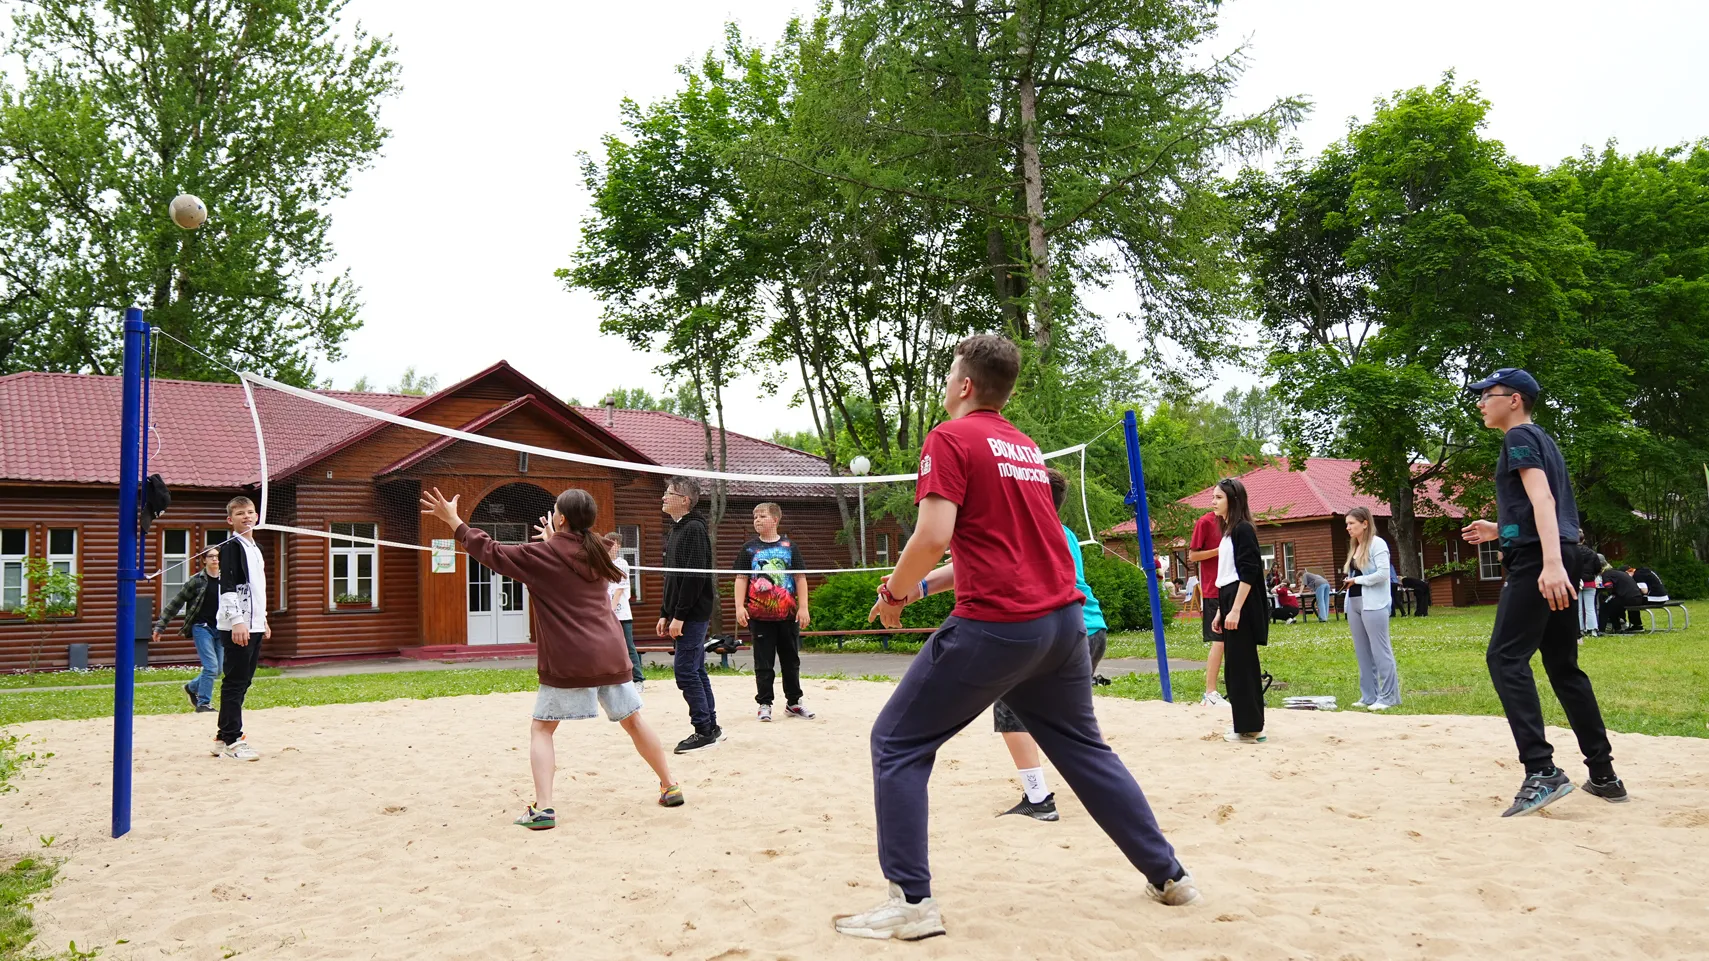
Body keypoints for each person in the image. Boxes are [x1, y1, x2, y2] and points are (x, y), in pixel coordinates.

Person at [834, 335, 1197, 942]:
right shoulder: (1023, 447)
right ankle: (1171, 876)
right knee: (1085, 751)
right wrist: (921, 590)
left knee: (896, 742)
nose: (947, 383)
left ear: (965, 385)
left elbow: (931, 537)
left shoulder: (949, 438)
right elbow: (1008, 550)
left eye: (951, 373)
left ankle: (912, 904)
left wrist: (894, 595)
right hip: (1061, 625)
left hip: (1000, 625)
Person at [422, 486, 683, 826]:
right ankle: (670, 785)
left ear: (560, 518)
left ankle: (543, 808)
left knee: (542, 730)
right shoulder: (600, 551)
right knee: (633, 721)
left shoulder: (541, 556)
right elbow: (568, 555)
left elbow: (490, 551)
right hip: (610, 651)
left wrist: (454, 520)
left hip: (570, 657)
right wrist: (553, 541)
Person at [1462, 368, 1626, 816]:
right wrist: (1500, 529)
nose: (1480, 402)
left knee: (1505, 658)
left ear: (1513, 399)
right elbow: (1544, 505)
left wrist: (1550, 564)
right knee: (1562, 665)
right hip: (1556, 553)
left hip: (1542, 561)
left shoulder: (1517, 438)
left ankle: (1542, 770)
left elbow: (1545, 501)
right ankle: (1604, 774)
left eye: (1487, 395)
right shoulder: (1542, 439)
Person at [732, 502, 815, 722]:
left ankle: (794, 703)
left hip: (787, 615)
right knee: (763, 662)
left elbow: (800, 578)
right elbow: (741, 579)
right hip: (759, 616)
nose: (756, 520)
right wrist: (740, 606)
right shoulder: (748, 549)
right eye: (754, 516)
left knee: (791, 661)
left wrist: (804, 607)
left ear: (775, 520)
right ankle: (764, 703)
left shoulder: (790, 547)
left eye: (761, 516)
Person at [658, 476, 721, 754]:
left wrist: (680, 616)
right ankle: (712, 726)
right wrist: (664, 613)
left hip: (692, 615)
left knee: (685, 671)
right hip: (681, 614)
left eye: (668, 493)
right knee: (695, 669)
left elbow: (694, 579)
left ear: (684, 500)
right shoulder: (677, 530)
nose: (663, 497)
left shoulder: (694, 529)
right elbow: (673, 579)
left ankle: (703, 730)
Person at [1209, 478, 1268, 743]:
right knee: (1234, 668)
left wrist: (1235, 610)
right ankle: (1244, 725)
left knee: (1243, 667)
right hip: (1229, 597)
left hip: (1240, 600)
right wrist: (1222, 610)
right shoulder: (1229, 531)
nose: (1213, 502)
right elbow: (1226, 574)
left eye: (1219, 497)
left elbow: (1249, 572)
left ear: (1233, 500)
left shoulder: (1243, 529)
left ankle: (1252, 727)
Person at [211, 497, 269, 760]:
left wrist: (263, 620)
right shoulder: (232, 547)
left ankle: (223, 737)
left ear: (256, 516)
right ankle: (234, 739)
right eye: (240, 513)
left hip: (253, 624)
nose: (246, 517)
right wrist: (237, 621)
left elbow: (257, 591)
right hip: (238, 625)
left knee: (243, 681)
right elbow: (229, 587)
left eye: (250, 512)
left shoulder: (255, 548)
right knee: (234, 682)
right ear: (230, 520)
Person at [1342, 507, 1400, 711]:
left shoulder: (1378, 544)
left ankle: (1389, 696)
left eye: (1352, 523)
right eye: (1347, 524)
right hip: (1355, 603)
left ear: (1365, 523)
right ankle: (1368, 695)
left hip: (1374, 604)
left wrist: (1357, 579)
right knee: (1362, 652)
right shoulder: (1354, 546)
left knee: (1380, 650)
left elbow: (1384, 574)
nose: (1348, 527)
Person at [154, 551, 222, 713]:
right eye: (210, 556)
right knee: (211, 667)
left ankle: (191, 688)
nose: (214, 559)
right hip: (201, 627)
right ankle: (203, 703)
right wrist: (160, 626)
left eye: (217, 556)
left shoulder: (227, 580)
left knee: (218, 669)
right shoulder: (196, 581)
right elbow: (175, 603)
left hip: (221, 628)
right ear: (204, 560)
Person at [1186, 508, 1228, 707]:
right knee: (1219, 641)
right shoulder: (1205, 522)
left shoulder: (1237, 523)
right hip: (1213, 589)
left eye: (1219, 497)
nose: (1215, 502)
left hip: (1234, 588)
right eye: (1214, 498)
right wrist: (1219, 551)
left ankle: (1238, 687)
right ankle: (1210, 692)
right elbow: (1193, 556)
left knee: (1236, 641)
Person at [603, 533, 643, 687]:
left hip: (621, 614)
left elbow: (619, 591)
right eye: (608, 544)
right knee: (606, 646)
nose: (610, 547)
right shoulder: (602, 563)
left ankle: (638, 679)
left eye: (613, 544)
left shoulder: (622, 563)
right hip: (605, 613)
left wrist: (610, 611)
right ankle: (611, 678)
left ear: (618, 546)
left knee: (628, 646)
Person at [1598, 566, 1645, 634]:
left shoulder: (1606, 574)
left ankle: (1602, 630)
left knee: (1605, 605)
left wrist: (1607, 592)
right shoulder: (1618, 573)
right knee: (1612, 603)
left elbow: (1609, 586)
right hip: (1637, 597)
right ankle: (1618, 627)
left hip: (1627, 599)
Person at [1574, 534, 1600, 638]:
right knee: (1590, 608)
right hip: (1589, 581)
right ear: (1584, 540)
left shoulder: (1573, 552)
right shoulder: (1593, 553)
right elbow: (1598, 567)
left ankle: (1580, 629)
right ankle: (1592, 629)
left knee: (1579, 608)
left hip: (1576, 581)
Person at [1629, 565, 1669, 631]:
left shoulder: (1637, 575)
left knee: (1632, 601)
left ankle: (1637, 625)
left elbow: (1644, 591)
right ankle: (1636, 624)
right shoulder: (1646, 571)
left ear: (1629, 572)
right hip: (1663, 597)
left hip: (1654, 597)